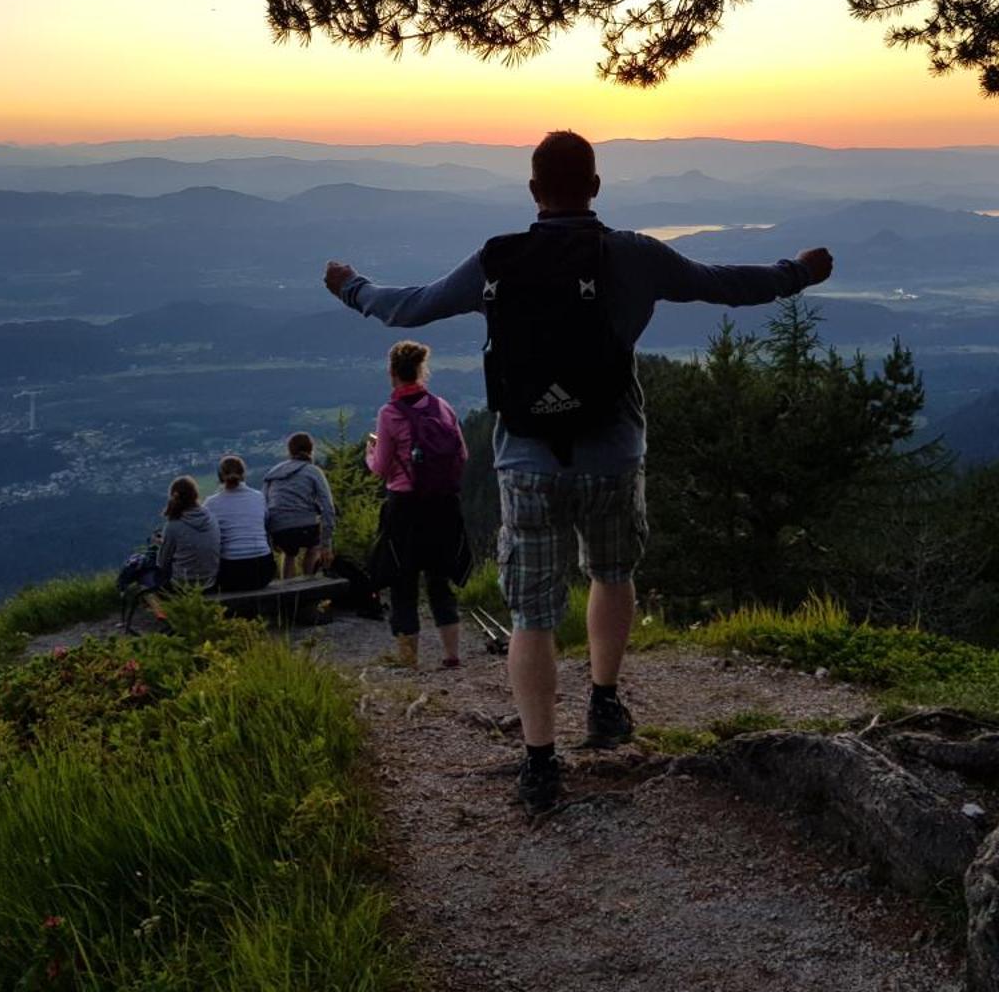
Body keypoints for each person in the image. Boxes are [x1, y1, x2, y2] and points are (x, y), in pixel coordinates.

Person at [323, 130, 834, 811]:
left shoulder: (497, 259)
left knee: (532, 613)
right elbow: (726, 286)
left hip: (526, 460)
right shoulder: (632, 255)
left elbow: (406, 306)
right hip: (613, 453)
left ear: (534, 192)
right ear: (595, 186)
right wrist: (799, 272)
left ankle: (540, 762)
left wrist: (349, 286)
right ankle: (603, 699)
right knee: (611, 573)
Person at [367, 340, 472, 670]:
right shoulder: (442, 407)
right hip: (442, 505)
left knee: (403, 580)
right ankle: (452, 656)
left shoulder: (389, 413)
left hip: (405, 507)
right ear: (421, 370)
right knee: (439, 579)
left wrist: (370, 454)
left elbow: (382, 467)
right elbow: (463, 455)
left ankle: (409, 661)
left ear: (392, 373)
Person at [263, 432, 337, 578]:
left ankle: (288, 593)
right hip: (306, 527)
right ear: (311, 450)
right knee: (313, 547)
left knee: (289, 553)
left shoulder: (272, 473)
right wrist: (326, 543)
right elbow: (328, 506)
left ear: (289, 451)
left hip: (278, 528)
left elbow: (263, 506)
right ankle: (309, 584)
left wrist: (269, 537)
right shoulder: (313, 471)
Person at [205, 454, 276, 593]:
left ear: (220, 476)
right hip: (263, 570)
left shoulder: (211, 503)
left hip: (231, 573)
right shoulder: (258, 497)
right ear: (243, 474)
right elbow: (266, 522)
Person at [154, 475, 220, 588]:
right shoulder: (211, 518)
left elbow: (162, 563)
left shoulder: (173, 525)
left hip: (183, 583)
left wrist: (163, 545)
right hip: (210, 580)